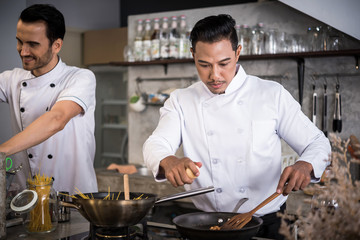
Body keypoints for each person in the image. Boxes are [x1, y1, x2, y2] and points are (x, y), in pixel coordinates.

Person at [143, 14, 331, 239]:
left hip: (265, 222)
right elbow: (156, 143)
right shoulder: (181, 100)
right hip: (206, 224)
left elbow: (317, 142)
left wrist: (305, 164)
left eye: (224, 63)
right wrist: (169, 160)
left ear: (238, 52)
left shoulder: (271, 94)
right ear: (193, 55)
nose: (215, 75)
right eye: (204, 65)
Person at [0, 4, 98, 195]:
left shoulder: (80, 77)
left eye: (33, 44)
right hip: (27, 203)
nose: (23, 51)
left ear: (57, 45)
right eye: (20, 41)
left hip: (75, 201)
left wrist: (1, 152)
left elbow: (56, 119)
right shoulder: (11, 79)